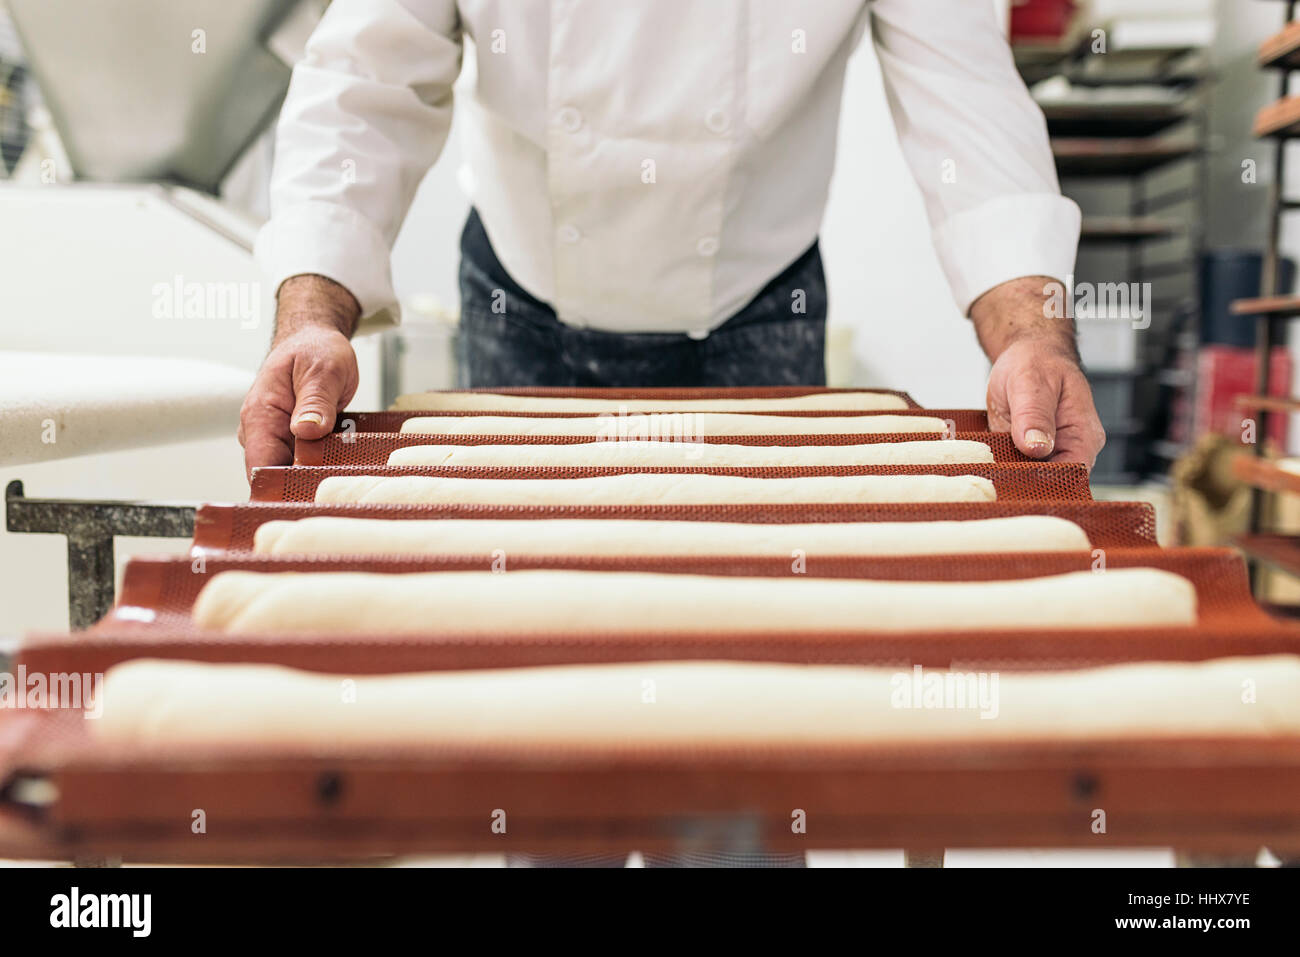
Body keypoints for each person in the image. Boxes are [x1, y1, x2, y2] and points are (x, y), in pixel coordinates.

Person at [239, 0, 1105, 478]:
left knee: (763, 613)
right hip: (524, 295)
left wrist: (1031, 337)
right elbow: (367, 77)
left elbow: (969, 99)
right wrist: (313, 317)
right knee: (523, 606)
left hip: (758, 300)